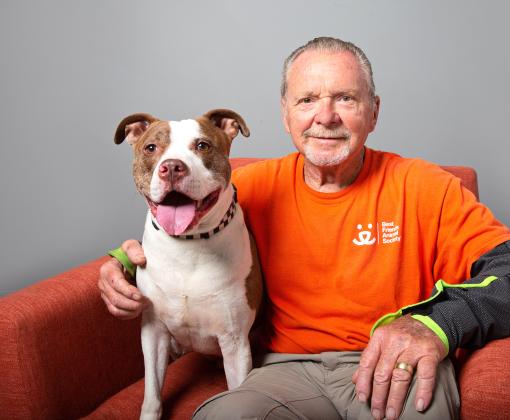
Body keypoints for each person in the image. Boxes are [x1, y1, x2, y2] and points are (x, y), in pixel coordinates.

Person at [98, 37, 510, 419]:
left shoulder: (426, 186)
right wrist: (120, 262)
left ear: (374, 111)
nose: (324, 116)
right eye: (307, 99)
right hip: (283, 371)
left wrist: (436, 325)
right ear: (285, 114)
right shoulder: (245, 190)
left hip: (390, 359)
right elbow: (176, 229)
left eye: (345, 98)